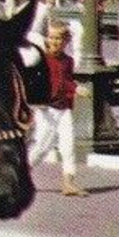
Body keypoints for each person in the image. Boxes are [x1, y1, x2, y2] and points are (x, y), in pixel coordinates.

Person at [29, 21, 86, 197]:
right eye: (51, 37)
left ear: (66, 41)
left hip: (64, 108)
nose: (54, 42)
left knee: (68, 146)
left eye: (59, 38)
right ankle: (20, 174)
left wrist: (76, 88)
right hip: (46, 109)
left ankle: (68, 183)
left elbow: (66, 81)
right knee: (41, 147)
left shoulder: (68, 61)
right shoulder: (42, 59)